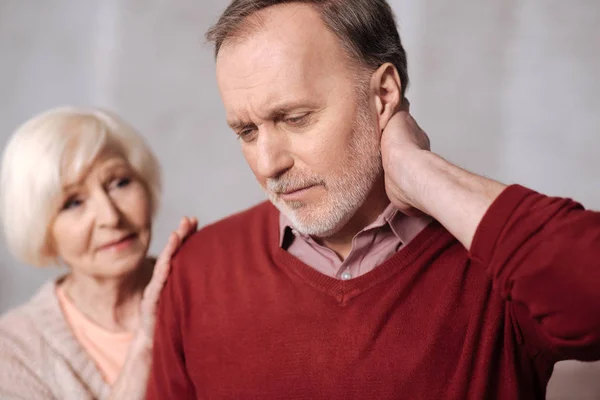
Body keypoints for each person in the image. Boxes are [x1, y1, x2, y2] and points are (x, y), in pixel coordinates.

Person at [147, 1, 600, 399]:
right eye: (247, 132)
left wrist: (423, 173)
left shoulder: (497, 266)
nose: (268, 164)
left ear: (384, 94)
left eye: (296, 118)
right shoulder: (196, 271)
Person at [0, 107, 196, 400]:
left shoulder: (203, 290)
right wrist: (144, 345)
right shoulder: (14, 349)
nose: (110, 217)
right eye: (73, 203)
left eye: (119, 182)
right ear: (40, 230)